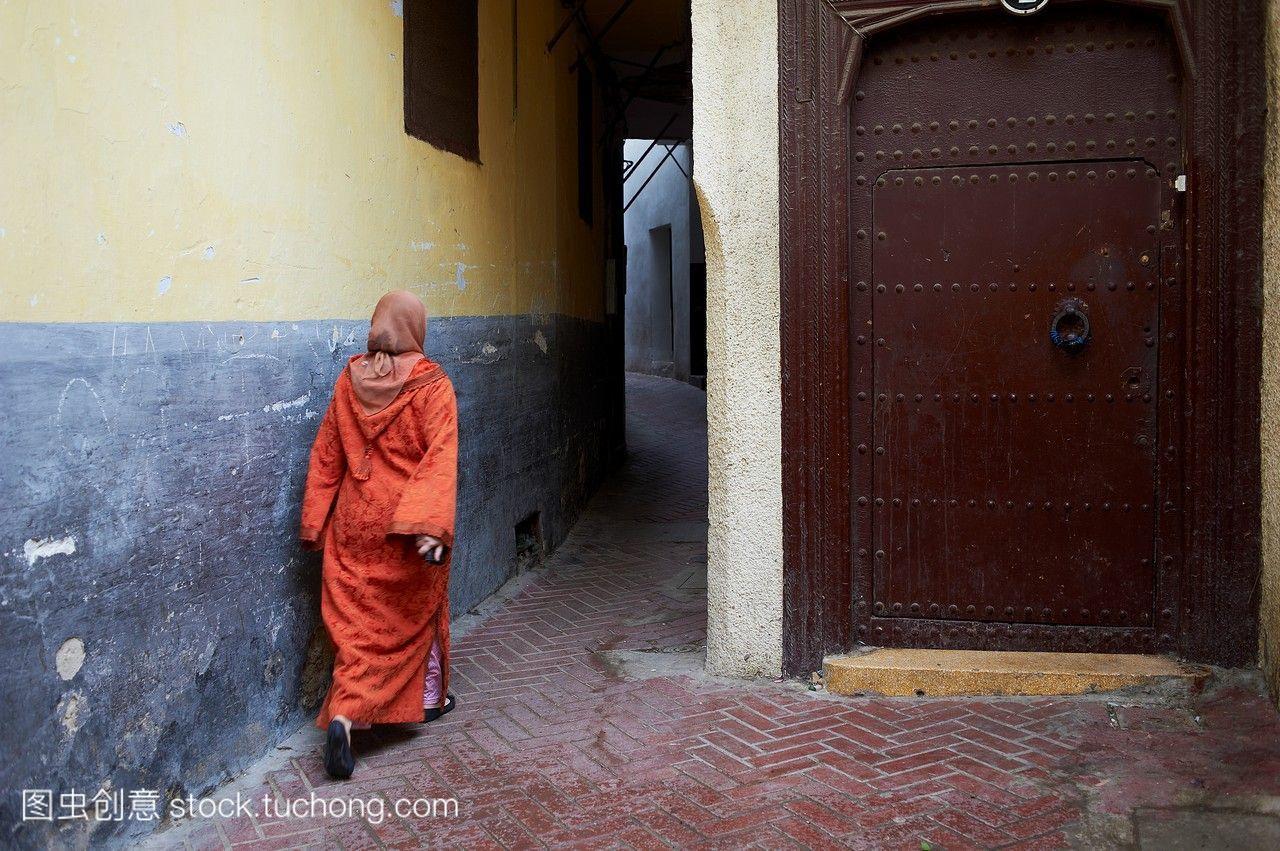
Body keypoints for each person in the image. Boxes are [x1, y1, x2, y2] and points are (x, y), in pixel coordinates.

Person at [299, 290, 458, 780]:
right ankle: (425, 698)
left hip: (352, 524)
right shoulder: (433, 387)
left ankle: (347, 716)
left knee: (358, 631)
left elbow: (327, 454)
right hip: (403, 529)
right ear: (416, 330)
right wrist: (430, 528)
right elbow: (439, 460)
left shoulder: (349, 379)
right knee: (409, 620)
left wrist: (313, 522)